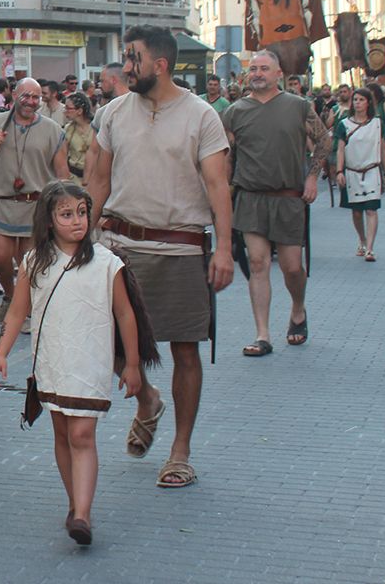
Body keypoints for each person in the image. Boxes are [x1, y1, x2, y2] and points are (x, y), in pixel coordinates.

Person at [88, 25, 233, 490]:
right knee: (102, 340)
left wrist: (226, 248)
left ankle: (179, 452)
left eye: (134, 58)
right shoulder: (112, 113)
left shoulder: (201, 115)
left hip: (181, 248)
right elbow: (99, 182)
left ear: (161, 65)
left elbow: (217, 187)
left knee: (185, 351)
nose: (126, 67)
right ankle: (147, 399)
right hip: (118, 248)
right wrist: (82, 239)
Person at [0, 181, 151, 547]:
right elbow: (18, 311)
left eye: (81, 212)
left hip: (90, 358)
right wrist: (1, 353)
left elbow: (125, 315)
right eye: (67, 214)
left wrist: (132, 364)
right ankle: (74, 500)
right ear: (48, 221)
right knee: (62, 432)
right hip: (52, 358)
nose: (77, 221)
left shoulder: (108, 263)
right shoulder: (34, 262)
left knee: (82, 434)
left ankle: (83, 513)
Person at [223, 51, 326, 357]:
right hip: (251, 197)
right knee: (257, 263)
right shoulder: (234, 111)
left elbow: (323, 140)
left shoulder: (298, 106)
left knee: (293, 268)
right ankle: (262, 334)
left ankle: (297, 309)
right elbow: (225, 155)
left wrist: (312, 178)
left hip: (288, 198)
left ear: (278, 73)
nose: (257, 73)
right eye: (253, 68)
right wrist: (221, 196)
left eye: (264, 68)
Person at [0, 78, 68, 332]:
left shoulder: (53, 129)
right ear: (14, 95)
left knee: (30, 262)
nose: (31, 101)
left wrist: (62, 206)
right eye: (26, 96)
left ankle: (24, 307)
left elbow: (62, 173)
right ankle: (10, 295)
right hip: (1, 200)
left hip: (35, 204)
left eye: (36, 97)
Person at [336, 86, 385, 262]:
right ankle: (362, 239)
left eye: (361, 100)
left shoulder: (377, 123)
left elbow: (382, 147)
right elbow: (340, 150)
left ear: (368, 103)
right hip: (352, 172)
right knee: (357, 212)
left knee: (371, 209)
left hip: (372, 170)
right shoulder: (344, 124)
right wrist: (339, 171)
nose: (357, 103)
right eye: (355, 100)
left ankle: (370, 248)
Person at [61, 92, 94, 179]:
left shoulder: (96, 128)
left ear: (79, 111)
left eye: (68, 108)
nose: (65, 111)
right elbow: (63, 156)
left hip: (93, 177)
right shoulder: (68, 129)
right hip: (73, 176)